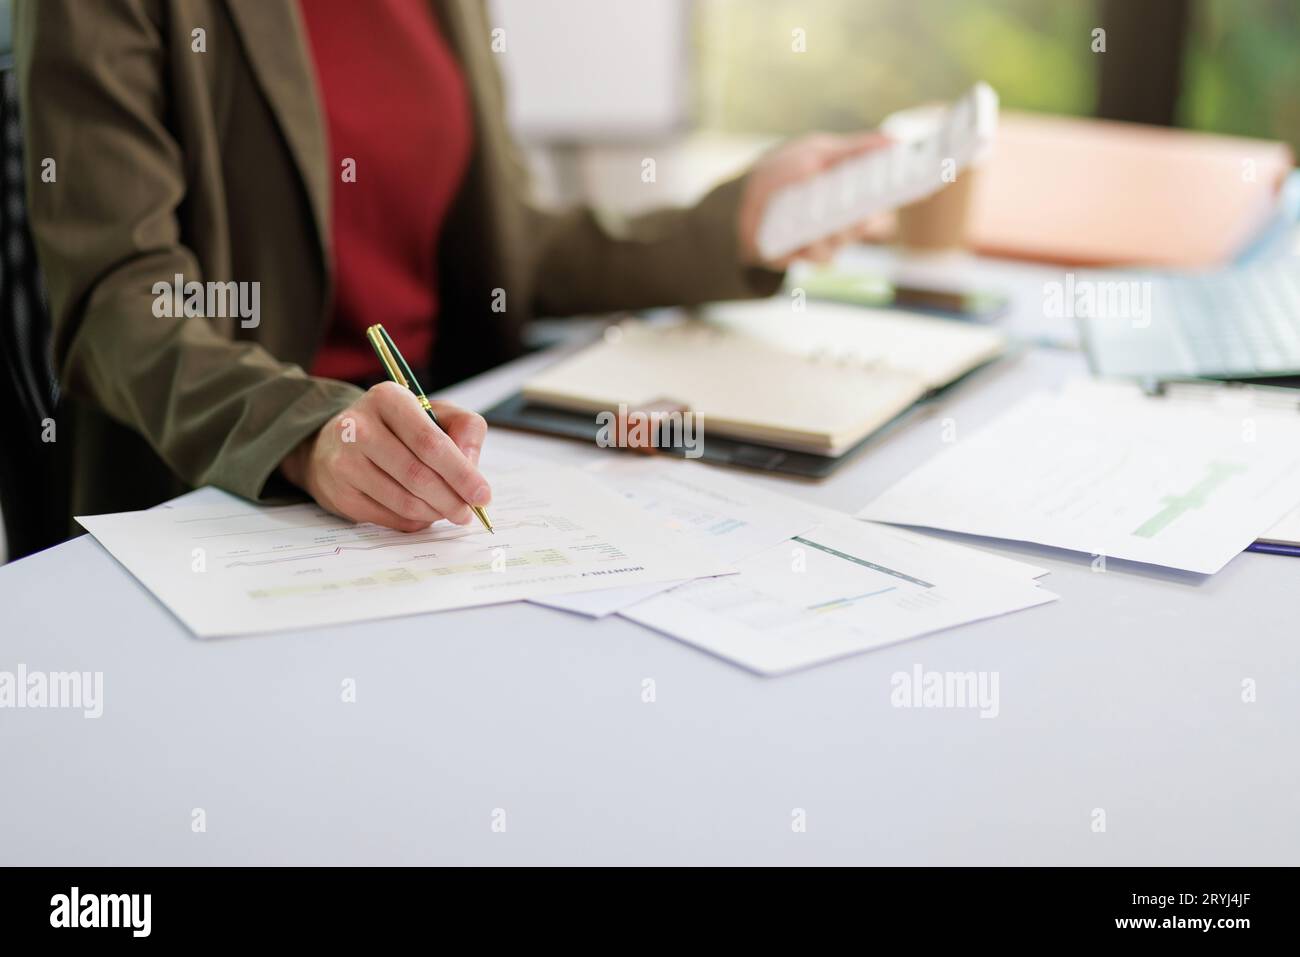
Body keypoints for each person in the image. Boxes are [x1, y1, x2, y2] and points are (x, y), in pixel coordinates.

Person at [16, 0, 885, 531]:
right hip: (236, 486)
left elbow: (513, 251)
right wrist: (304, 430)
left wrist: (732, 227)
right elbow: (121, 300)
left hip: (462, 448)